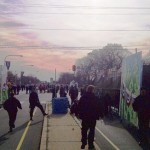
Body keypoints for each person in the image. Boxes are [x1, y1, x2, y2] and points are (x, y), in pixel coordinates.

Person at [78, 85, 103, 149]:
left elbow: (79, 106)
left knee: (84, 130)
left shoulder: (83, 97)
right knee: (91, 131)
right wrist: (100, 115)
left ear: (87, 90)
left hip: (85, 117)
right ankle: (90, 144)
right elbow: (99, 107)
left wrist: (79, 114)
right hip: (92, 117)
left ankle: (83, 142)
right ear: (93, 90)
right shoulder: (95, 98)